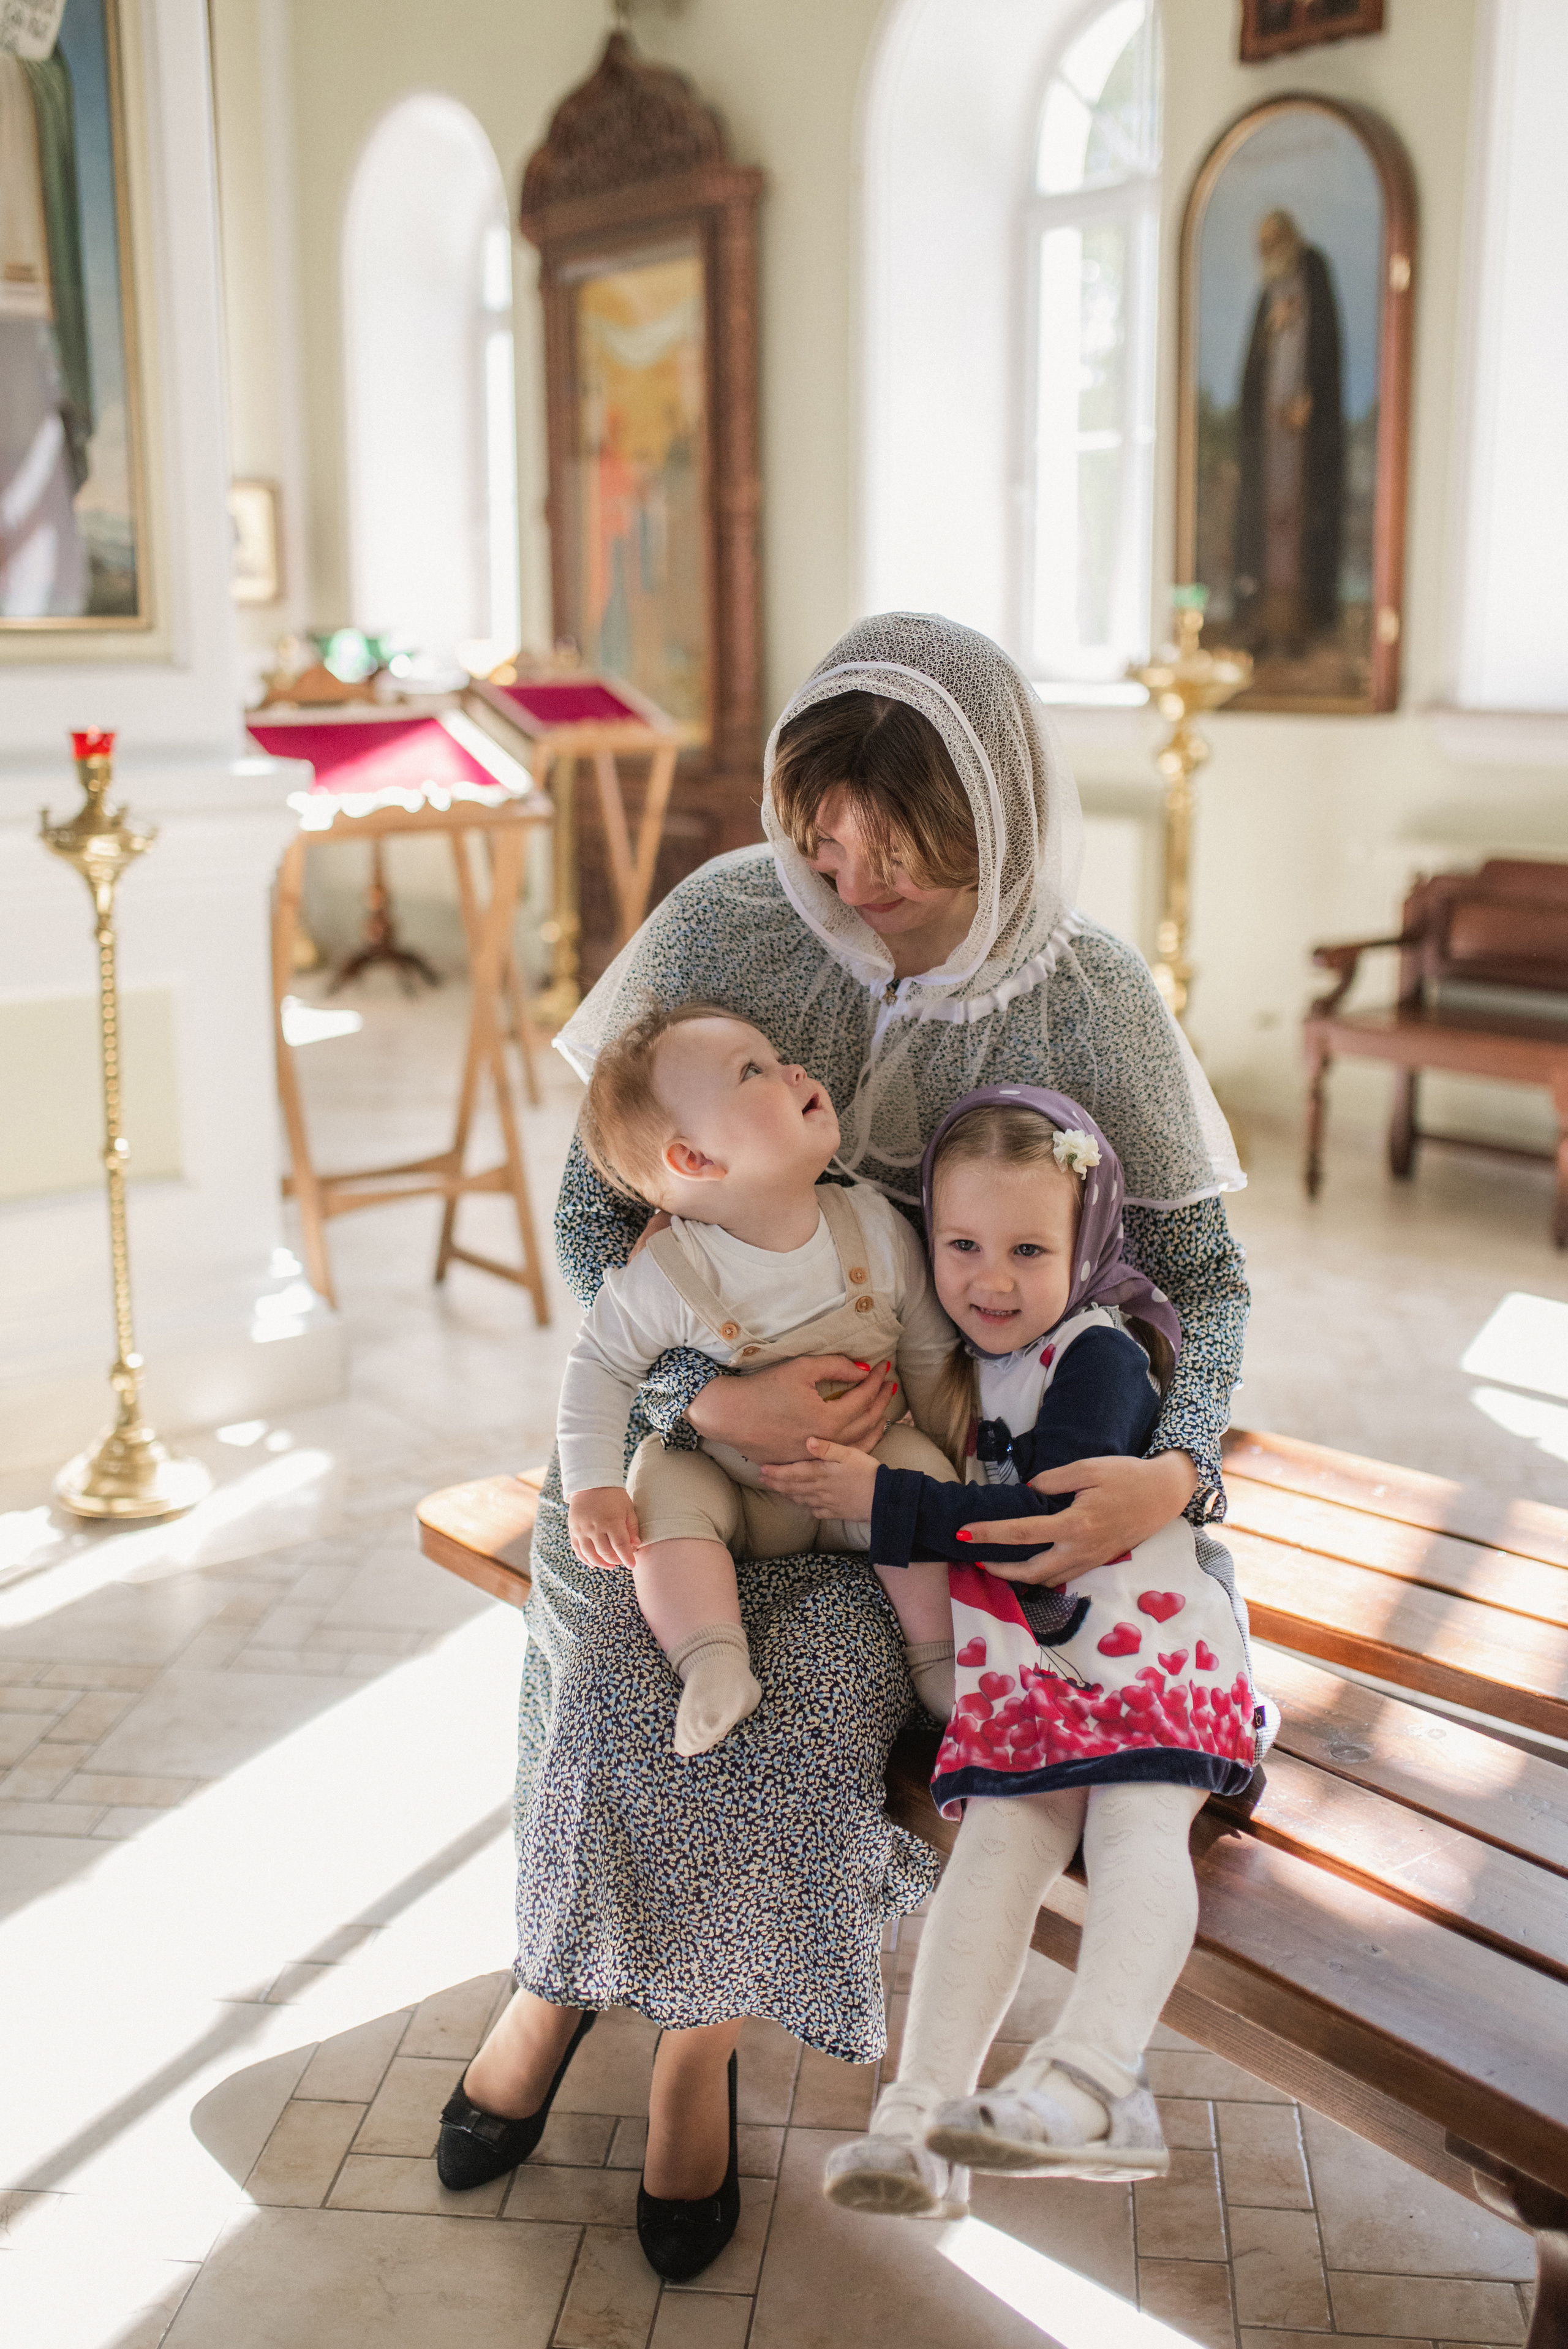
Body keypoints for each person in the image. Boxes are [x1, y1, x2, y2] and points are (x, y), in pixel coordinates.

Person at [441, 613, 1248, 2284]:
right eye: (823, 828)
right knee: (614, 1657)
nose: (848, 872)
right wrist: (695, 1408)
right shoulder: (734, 917)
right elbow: (604, 1207)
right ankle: (556, 1980)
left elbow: (1207, 1281)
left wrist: (1175, 1470)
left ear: (999, 816)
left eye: (901, 846)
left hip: (916, 1489)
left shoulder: (1089, 995)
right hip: (690, 1449)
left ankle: (698, 2049)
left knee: (797, 1708)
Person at [759, 1088, 1259, 2215]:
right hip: (1034, 1668)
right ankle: (919, 2125)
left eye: (1029, 1247)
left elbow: (1041, 1525)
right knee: (992, 1845)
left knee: (1136, 1826)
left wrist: (883, 1499)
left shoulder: (1100, 1352)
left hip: (1150, 1653)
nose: (991, 1276)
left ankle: (1098, 2078)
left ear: (1085, 1243)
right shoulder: (968, 1360)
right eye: (963, 1243)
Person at [560, 999, 959, 1756]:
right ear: (695, 1161)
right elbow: (599, 1367)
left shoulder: (873, 1225)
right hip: (737, 1491)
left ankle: (939, 1661)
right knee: (664, 1494)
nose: (793, 1070)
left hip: (857, 1473)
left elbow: (931, 1355)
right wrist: (592, 1485)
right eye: (755, 1071)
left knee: (920, 1480)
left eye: (776, 1059)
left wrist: (954, 1451)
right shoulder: (670, 1272)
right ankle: (713, 1660)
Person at [1233, 207, 1344, 659]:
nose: (1266, 251)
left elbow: (1325, 344)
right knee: (1268, 528)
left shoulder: (1313, 270)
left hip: (1302, 440)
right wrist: (1271, 329)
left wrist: (1310, 399)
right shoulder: (1268, 292)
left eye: (1271, 240)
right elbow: (1255, 360)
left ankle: (1300, 624)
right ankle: (1264, 623)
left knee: (1298, 529)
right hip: (1271, 436)